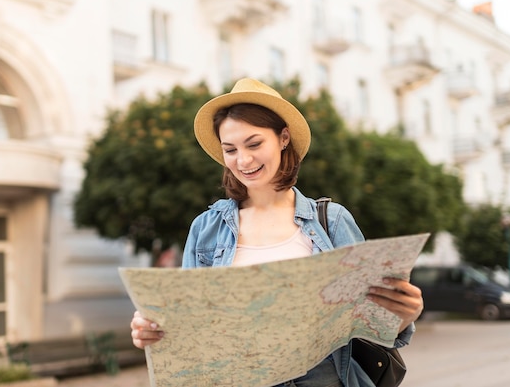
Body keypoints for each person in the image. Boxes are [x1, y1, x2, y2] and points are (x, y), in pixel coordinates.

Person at [130, 78, 424, 386]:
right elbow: (189, 330)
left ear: (283, 138)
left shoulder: (332, 221)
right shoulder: (206, 228)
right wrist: (152, 329)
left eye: (254, 144)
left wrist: (405, 314)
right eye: (230, 149)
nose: (243, 160)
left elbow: (373, 323)